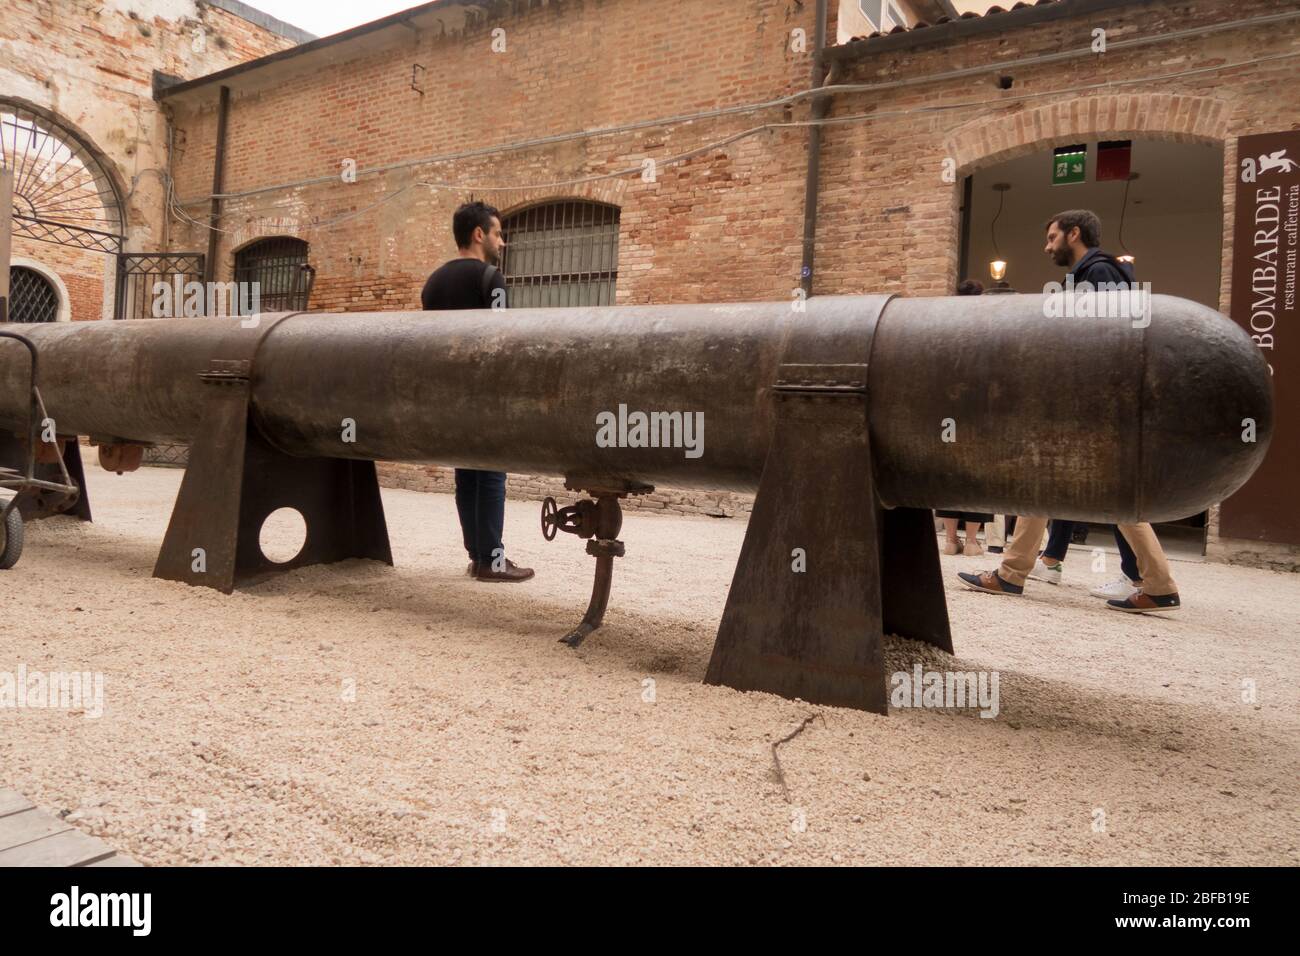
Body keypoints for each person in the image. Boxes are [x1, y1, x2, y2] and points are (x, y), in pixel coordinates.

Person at [956, 210, 1181, 614]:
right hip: (1096, 402)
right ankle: (1158, 585)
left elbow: (1104, 340)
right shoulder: (1095, 274)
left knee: (1054, 482)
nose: (1047, 246)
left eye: (1052, 237)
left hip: (1089, 403)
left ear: (1073, 234)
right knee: (1091, 493)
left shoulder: (1099, 274)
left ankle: (1012, 574)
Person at [421, 201, 535, 583]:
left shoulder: (432, 284)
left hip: (448, 397)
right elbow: (501, 340)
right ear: (478, 234)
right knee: (489, 477)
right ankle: (491, 561)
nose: (501, 243)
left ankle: (477, 555)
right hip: (484, 397)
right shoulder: (491, 280)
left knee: (466, 476)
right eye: (498, 233)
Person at [937, 278, 993, 555]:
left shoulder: (947, 328)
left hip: (948, 412)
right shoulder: (985, 329)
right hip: (978, 413)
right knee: (975, 475)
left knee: (949, 474)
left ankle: (949, 540)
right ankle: (971, 541)